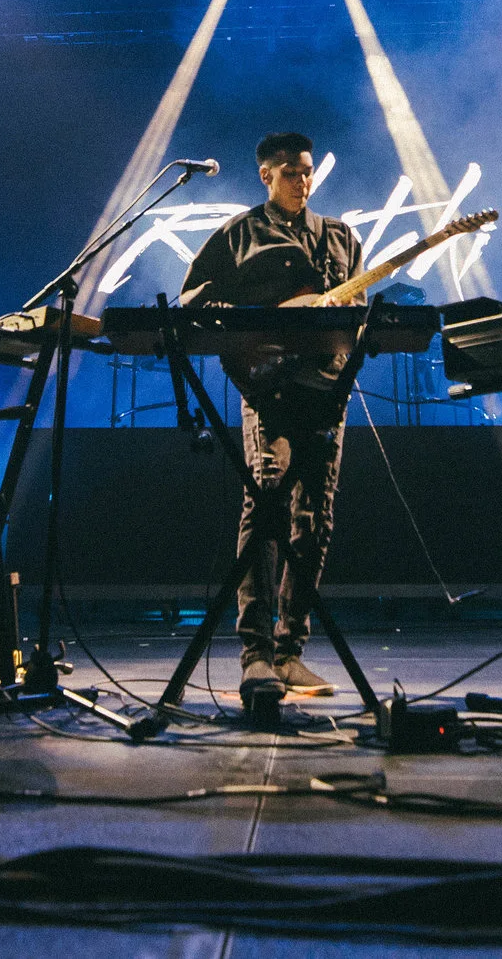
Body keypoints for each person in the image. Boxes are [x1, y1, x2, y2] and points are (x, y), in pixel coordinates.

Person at [179, 131, 363, 707]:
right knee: (265, 506)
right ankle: (255, 653)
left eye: (307, 171)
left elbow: (356, 313)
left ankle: (289, 652)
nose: (302, 181)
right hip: (269, 392)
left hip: (327, 392)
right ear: (266, 175)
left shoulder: (340, 237)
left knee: (318, 517)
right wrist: (246, 329)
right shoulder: (239, 234)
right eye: (290, 172)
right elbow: (194, 304)